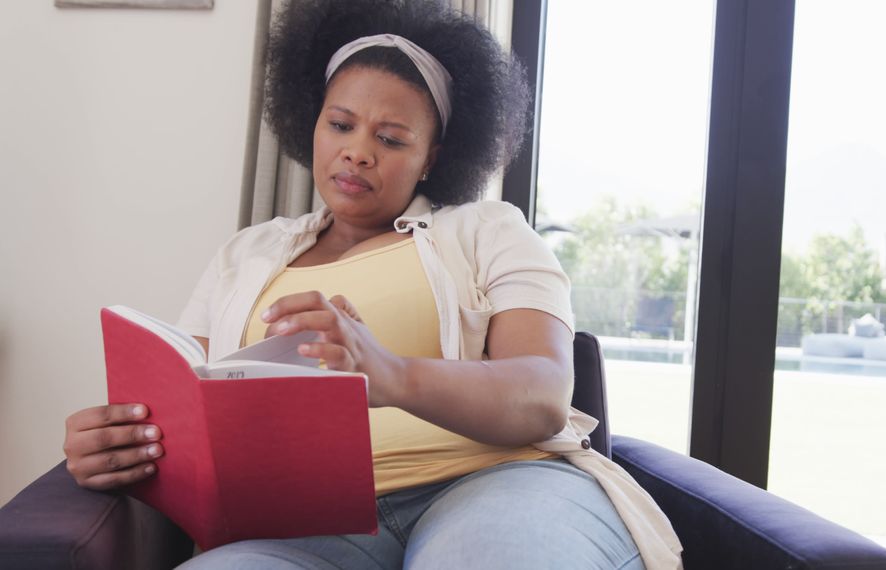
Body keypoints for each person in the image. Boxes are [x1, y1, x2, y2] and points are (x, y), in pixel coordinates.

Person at [61, 0, 682, 567]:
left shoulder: (486, 229)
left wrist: (386, 373)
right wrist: (121, 444)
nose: (358, 152)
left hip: (499, 480)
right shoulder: (246, 255)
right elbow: (187, 406)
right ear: (312, 125)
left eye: (389, 138)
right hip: (303, 526)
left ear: (432, 157)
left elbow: (543, 392)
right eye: (340, 125)